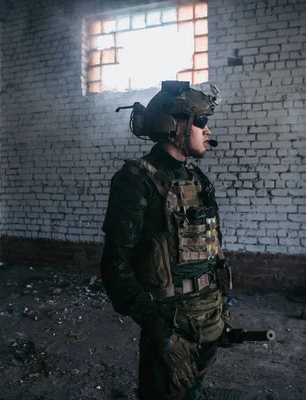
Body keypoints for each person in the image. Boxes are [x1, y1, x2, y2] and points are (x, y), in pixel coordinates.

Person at [100, 81, 233, 400]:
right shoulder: (135, 181)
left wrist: (222, 307)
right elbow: (116, 271)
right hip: (170, 326)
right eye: (201, 121)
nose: (208, 129)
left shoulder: (197, 179)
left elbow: (212, 248)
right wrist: (163, 338)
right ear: (174, 125)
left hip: (208, 319)